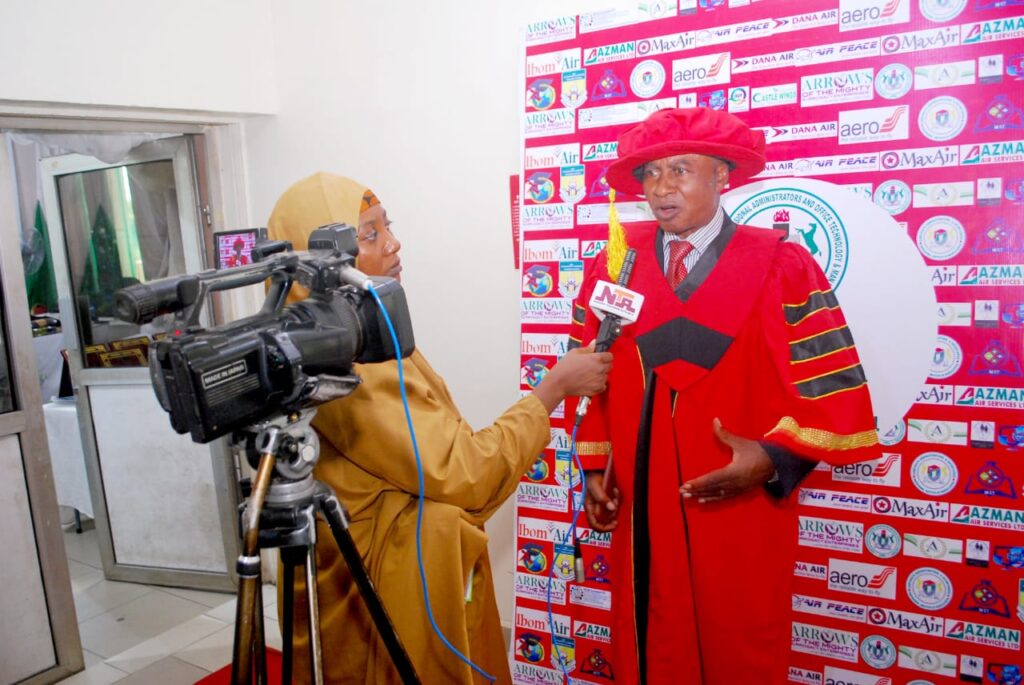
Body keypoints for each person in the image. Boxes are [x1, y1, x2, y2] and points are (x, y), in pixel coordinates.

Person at [567, 108, 879, 685]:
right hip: (643, 503)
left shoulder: (781, 266)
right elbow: (591, 377)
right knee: (647, 634)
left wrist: (774, 458)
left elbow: (834, 393)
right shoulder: (616, 263)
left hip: (738, 507)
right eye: (652, 173)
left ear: (723, 177)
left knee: (739, 641)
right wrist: (595, 469)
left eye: (681, 170)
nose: (662, 188)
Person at [266, 172, 612, 684]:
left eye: (388, 226)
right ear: (319, 262)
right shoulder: (339, 361)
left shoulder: (351, 330)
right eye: (370, 234)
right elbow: (462, 473)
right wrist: (551, 392)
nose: (393, 243)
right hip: (381, 585)